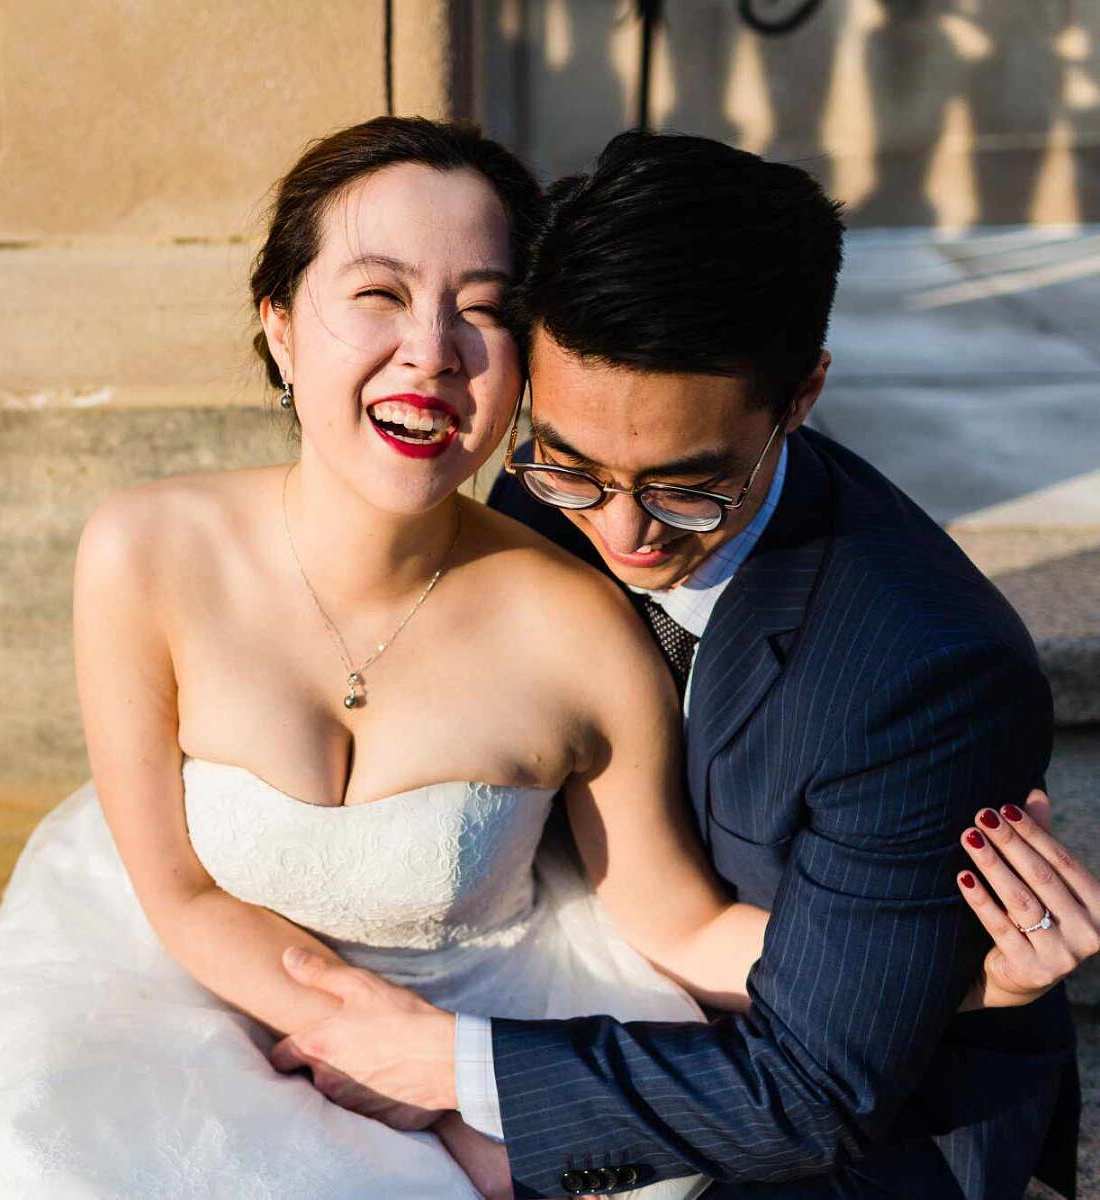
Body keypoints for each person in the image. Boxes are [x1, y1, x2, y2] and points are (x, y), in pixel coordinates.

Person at [0, 118, 1090, 1200]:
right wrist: (353, 1030)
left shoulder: (611, 620)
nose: (430, 353)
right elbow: (174, 888)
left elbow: (678, 929)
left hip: (538, 1038)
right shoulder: (142, 550)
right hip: (188, 997)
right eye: (375, 293)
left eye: (479, 308)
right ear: (278, 320)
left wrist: (937, 974)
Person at [261, 132, 1095, 1200]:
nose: (624, 530)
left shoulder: (924, 677)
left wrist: (450, 1064)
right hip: (564, 999)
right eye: (570, 462)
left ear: (800, 397)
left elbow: (817, 1091)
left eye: (687, 487)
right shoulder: (537, 499)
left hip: (840, 1134)